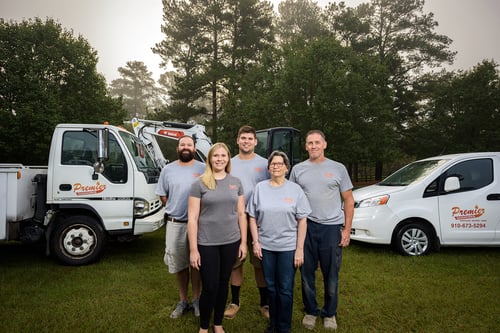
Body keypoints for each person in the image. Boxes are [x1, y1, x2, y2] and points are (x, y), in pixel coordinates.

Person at [289, 130, 354, 331]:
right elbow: (290, 199)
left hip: (331, 228)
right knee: (306, 272)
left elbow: (349, 200)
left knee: (331, 273)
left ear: (325, 144)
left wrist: (347, 229)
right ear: (306, 146)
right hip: (306, 227)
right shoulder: (298, 170)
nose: (314, 146)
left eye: (317, 142)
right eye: (310, 143)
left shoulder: (338, 168)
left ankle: (329, 313)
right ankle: (311, 310)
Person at [248, 151, 311, 333]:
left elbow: (303, 220)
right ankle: (273, 324)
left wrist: (299, 249)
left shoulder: (295, 190)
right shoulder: (260, 188)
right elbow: (252, 216)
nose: (276, 166)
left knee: (285, 289)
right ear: (268, 167)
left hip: (288, 248)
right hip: (266, 247)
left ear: (286, 167)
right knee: (272, 288)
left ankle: (284, 327)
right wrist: (256, 242)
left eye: (279, 163)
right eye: (273, 164)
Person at [188, 142, 248, 333]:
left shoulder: (236, 182)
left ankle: (218, 323)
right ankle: (204, 326)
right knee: (210, 286)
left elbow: (241, 214)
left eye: (223, 156)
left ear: (228, 159)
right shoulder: (199, 184)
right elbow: (192, 218)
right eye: (216, 156)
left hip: (231, 241)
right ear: (210, 159)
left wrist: (244, 242)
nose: (219, 159)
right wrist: (193, 249)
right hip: (206, 243)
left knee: (223, 283)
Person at [156, 135, 206, 319]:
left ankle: (196, 300)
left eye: (189, 144)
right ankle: (183, 300)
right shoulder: (168, 170)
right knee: (179, 264)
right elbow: (162, 195)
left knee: (197, 264)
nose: (186, 147)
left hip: (200, 225)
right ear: (178, 148)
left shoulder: (203, 168)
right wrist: (174, 207)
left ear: (194, 148)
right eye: (182, 144)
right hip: (175, 224)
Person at [224, 125, 270, 320]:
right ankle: (234, 302)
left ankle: (265, 303)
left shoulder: (265, 164)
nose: (246, 141)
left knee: (260, 264)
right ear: (237, 140)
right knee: (236, 262)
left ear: (256, 141)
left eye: (250, 139)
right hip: (235, 220)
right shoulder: (229, 163)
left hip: (259, 221)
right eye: (243, 138)